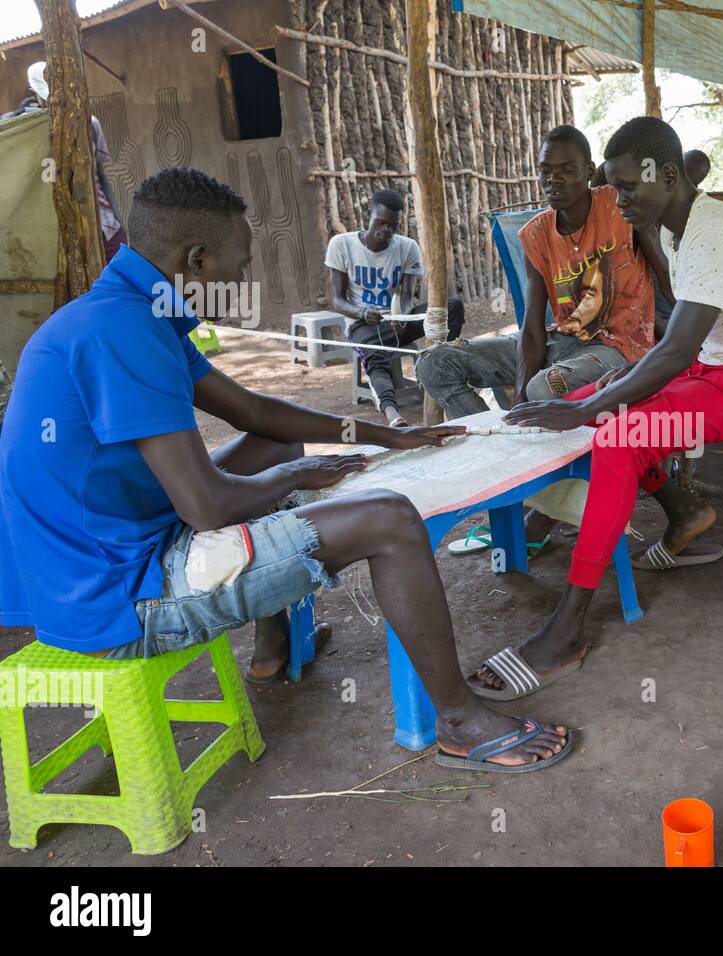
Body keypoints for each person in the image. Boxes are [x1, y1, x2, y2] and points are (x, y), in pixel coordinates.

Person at [0, 167, 569, 772]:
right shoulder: (124, 332)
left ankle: (273, 649)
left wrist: (386, 435)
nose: (245, 277)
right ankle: (458, 722)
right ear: (196, 259)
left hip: (106, 554)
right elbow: (208, 508)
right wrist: (299, 478)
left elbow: (253, 411)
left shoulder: (129, 311)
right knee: (390, 520)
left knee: (275, 446)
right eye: (238, 264)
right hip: (117, 597)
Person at [464, 116, 723, 700]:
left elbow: (674, 350)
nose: (616, 202)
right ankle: (683, 515)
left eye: (627, 188)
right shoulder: (674, 229)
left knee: (614, 431)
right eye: (612, 188)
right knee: (590, 406)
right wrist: (594, 398)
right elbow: (679, 351)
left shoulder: (718, 230)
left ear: (667, 176)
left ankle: (568, 626)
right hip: (713, 369)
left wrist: (597, 399)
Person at [417, 125, 660, 419]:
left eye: (567, 169)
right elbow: (532, 327)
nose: (553, 180)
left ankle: (540, 452)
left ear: (588, 171)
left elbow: (670, 277)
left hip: (619, 348)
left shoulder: (619, 206)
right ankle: (497, 443)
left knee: (544, 389)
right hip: (564, 340)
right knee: (434, 362)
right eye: (545, 170)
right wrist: (518, 401)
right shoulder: (536, 234)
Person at [326, 188, 464, 427]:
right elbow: (336, 300)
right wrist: (361, 313)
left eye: (392, 225)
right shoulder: (341, 245)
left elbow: (407, 296)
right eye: (380, 222)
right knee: (375, 355)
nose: (385, 230)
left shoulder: (407, 247)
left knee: (452, 307)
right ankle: (393, 414)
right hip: (363, 326)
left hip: (399, 323)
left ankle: (440, 368)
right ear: (368, 216)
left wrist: (401, 315)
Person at [4, 61, 127, 260]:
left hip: (104, 226)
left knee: (119, 282)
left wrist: (118, 220)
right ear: (32, 92)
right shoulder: (20, 128)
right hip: (51, 234)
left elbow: (101, 176)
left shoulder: (90, 124)